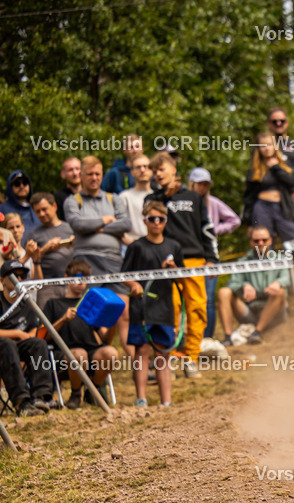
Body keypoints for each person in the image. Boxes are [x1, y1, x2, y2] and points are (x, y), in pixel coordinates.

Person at [145, 151, 215, 379]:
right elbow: (151, 223)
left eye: (161, 169)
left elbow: (206, 228)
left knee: (197, 308)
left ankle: (191, 358)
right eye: (154, 171)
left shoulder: (194, 197)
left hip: (194, 260)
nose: (157, 174)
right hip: (167, 262)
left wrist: (213, 258)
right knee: (170, 311)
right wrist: (165, 198)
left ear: (173, 169)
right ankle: (170, 359)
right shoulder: (152, 199)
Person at [65, 156, 132, 346]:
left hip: (114, 261)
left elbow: (125, 224)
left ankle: (124, 359)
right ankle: (95, 358)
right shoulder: (73, 200)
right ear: (82, 175)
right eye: (89, 174)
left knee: (122, 311)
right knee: (89, 313)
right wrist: (106, 220)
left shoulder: (114, 198)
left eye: (97, 174)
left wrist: (96, 228)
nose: (94, 178)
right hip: (86, 262)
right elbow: (77, 224)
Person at [122, 201, 184, 407]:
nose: (156, 223)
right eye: (152, 219)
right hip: (141, 306)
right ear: (145, 221)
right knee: (142, 352)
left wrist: (174, 268)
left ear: (166, 221)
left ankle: (167, 401)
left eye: (161, 219)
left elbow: (183, 279)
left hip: (165, 307)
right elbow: (124, 275)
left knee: (164, 353)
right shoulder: (136, 247)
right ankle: (141, 399)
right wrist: (134, 286)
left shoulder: (174, 246)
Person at [41, 259, 118, 410]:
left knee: (111, 353)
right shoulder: (53, 304)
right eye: (76, 278)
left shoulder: (91, 303)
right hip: (63, 354)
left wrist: (113, 323)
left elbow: (105, 339)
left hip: (91, 351)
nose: (80, 283)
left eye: (84, 279)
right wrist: (63, 319)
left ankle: (93, 391)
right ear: (66, 277)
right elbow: (44, 336)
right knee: (79, 354)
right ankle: (76, 395)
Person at [189, 167, 240, 339]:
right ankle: (192, 338)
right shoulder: (184, 203)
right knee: (192, 300)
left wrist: (214, 230)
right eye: (199, 184)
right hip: (189, 257)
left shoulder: (213, 203)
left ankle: (207, 338)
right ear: (192, 184)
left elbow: (235, 220)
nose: (202, 188)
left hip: (210, 256)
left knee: (209, 300)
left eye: (205, 184)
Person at [0, 259, 55, 415]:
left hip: (17, 347)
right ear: (2, 280)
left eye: (22, 276)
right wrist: (16, 334)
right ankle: (22, 402)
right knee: (7, 344)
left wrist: (26, 336)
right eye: (14, 276)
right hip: (3, 347)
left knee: (38, 343)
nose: (19, 280)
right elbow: (19, 334)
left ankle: (41, 396)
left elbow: (33, 331)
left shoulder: (26, 303)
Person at [217, 227, 289, 345]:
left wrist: (278, 283)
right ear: (251, 242)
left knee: (280, 291)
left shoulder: (280, 259)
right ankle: (228, 337)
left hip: (275, 313)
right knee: (224, 292)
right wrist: (244, 286)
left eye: (264, 240)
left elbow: (286, 279)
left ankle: (257, 332)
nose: (260, 243)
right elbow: (232, 283)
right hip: (250, 312)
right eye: (256, 241)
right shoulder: (243, 261)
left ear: (270, 241)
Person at [25, 192, 75, 309]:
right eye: (37, 211)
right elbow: (28, 262)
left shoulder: (70, 228)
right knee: (46, 324)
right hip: (47, 287)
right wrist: (45, 249)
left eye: (44, 209)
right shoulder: (33, 235)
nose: (41, 214)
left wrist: (76, 243)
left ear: (55, 207)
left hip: (72, 283)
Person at [122, 154, 153, 242]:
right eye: (138, 167)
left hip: (154, 245)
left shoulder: (158, 196)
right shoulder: (124, 197)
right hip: (131, 244)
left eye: (146, 167)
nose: (142, 170)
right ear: (132, 172)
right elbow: (117, 224)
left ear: (151, 170)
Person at [1, 170, 41, 236]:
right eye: (17, 183)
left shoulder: (38, 208)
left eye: (25, 183)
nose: (21, 186)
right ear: (10, 187)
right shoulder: (2, 209)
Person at [53, 157, 82, 222]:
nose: (75, 173)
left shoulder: (91, 194)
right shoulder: (57, 198)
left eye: (77, 169)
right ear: (63, 174)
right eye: (70, 170)